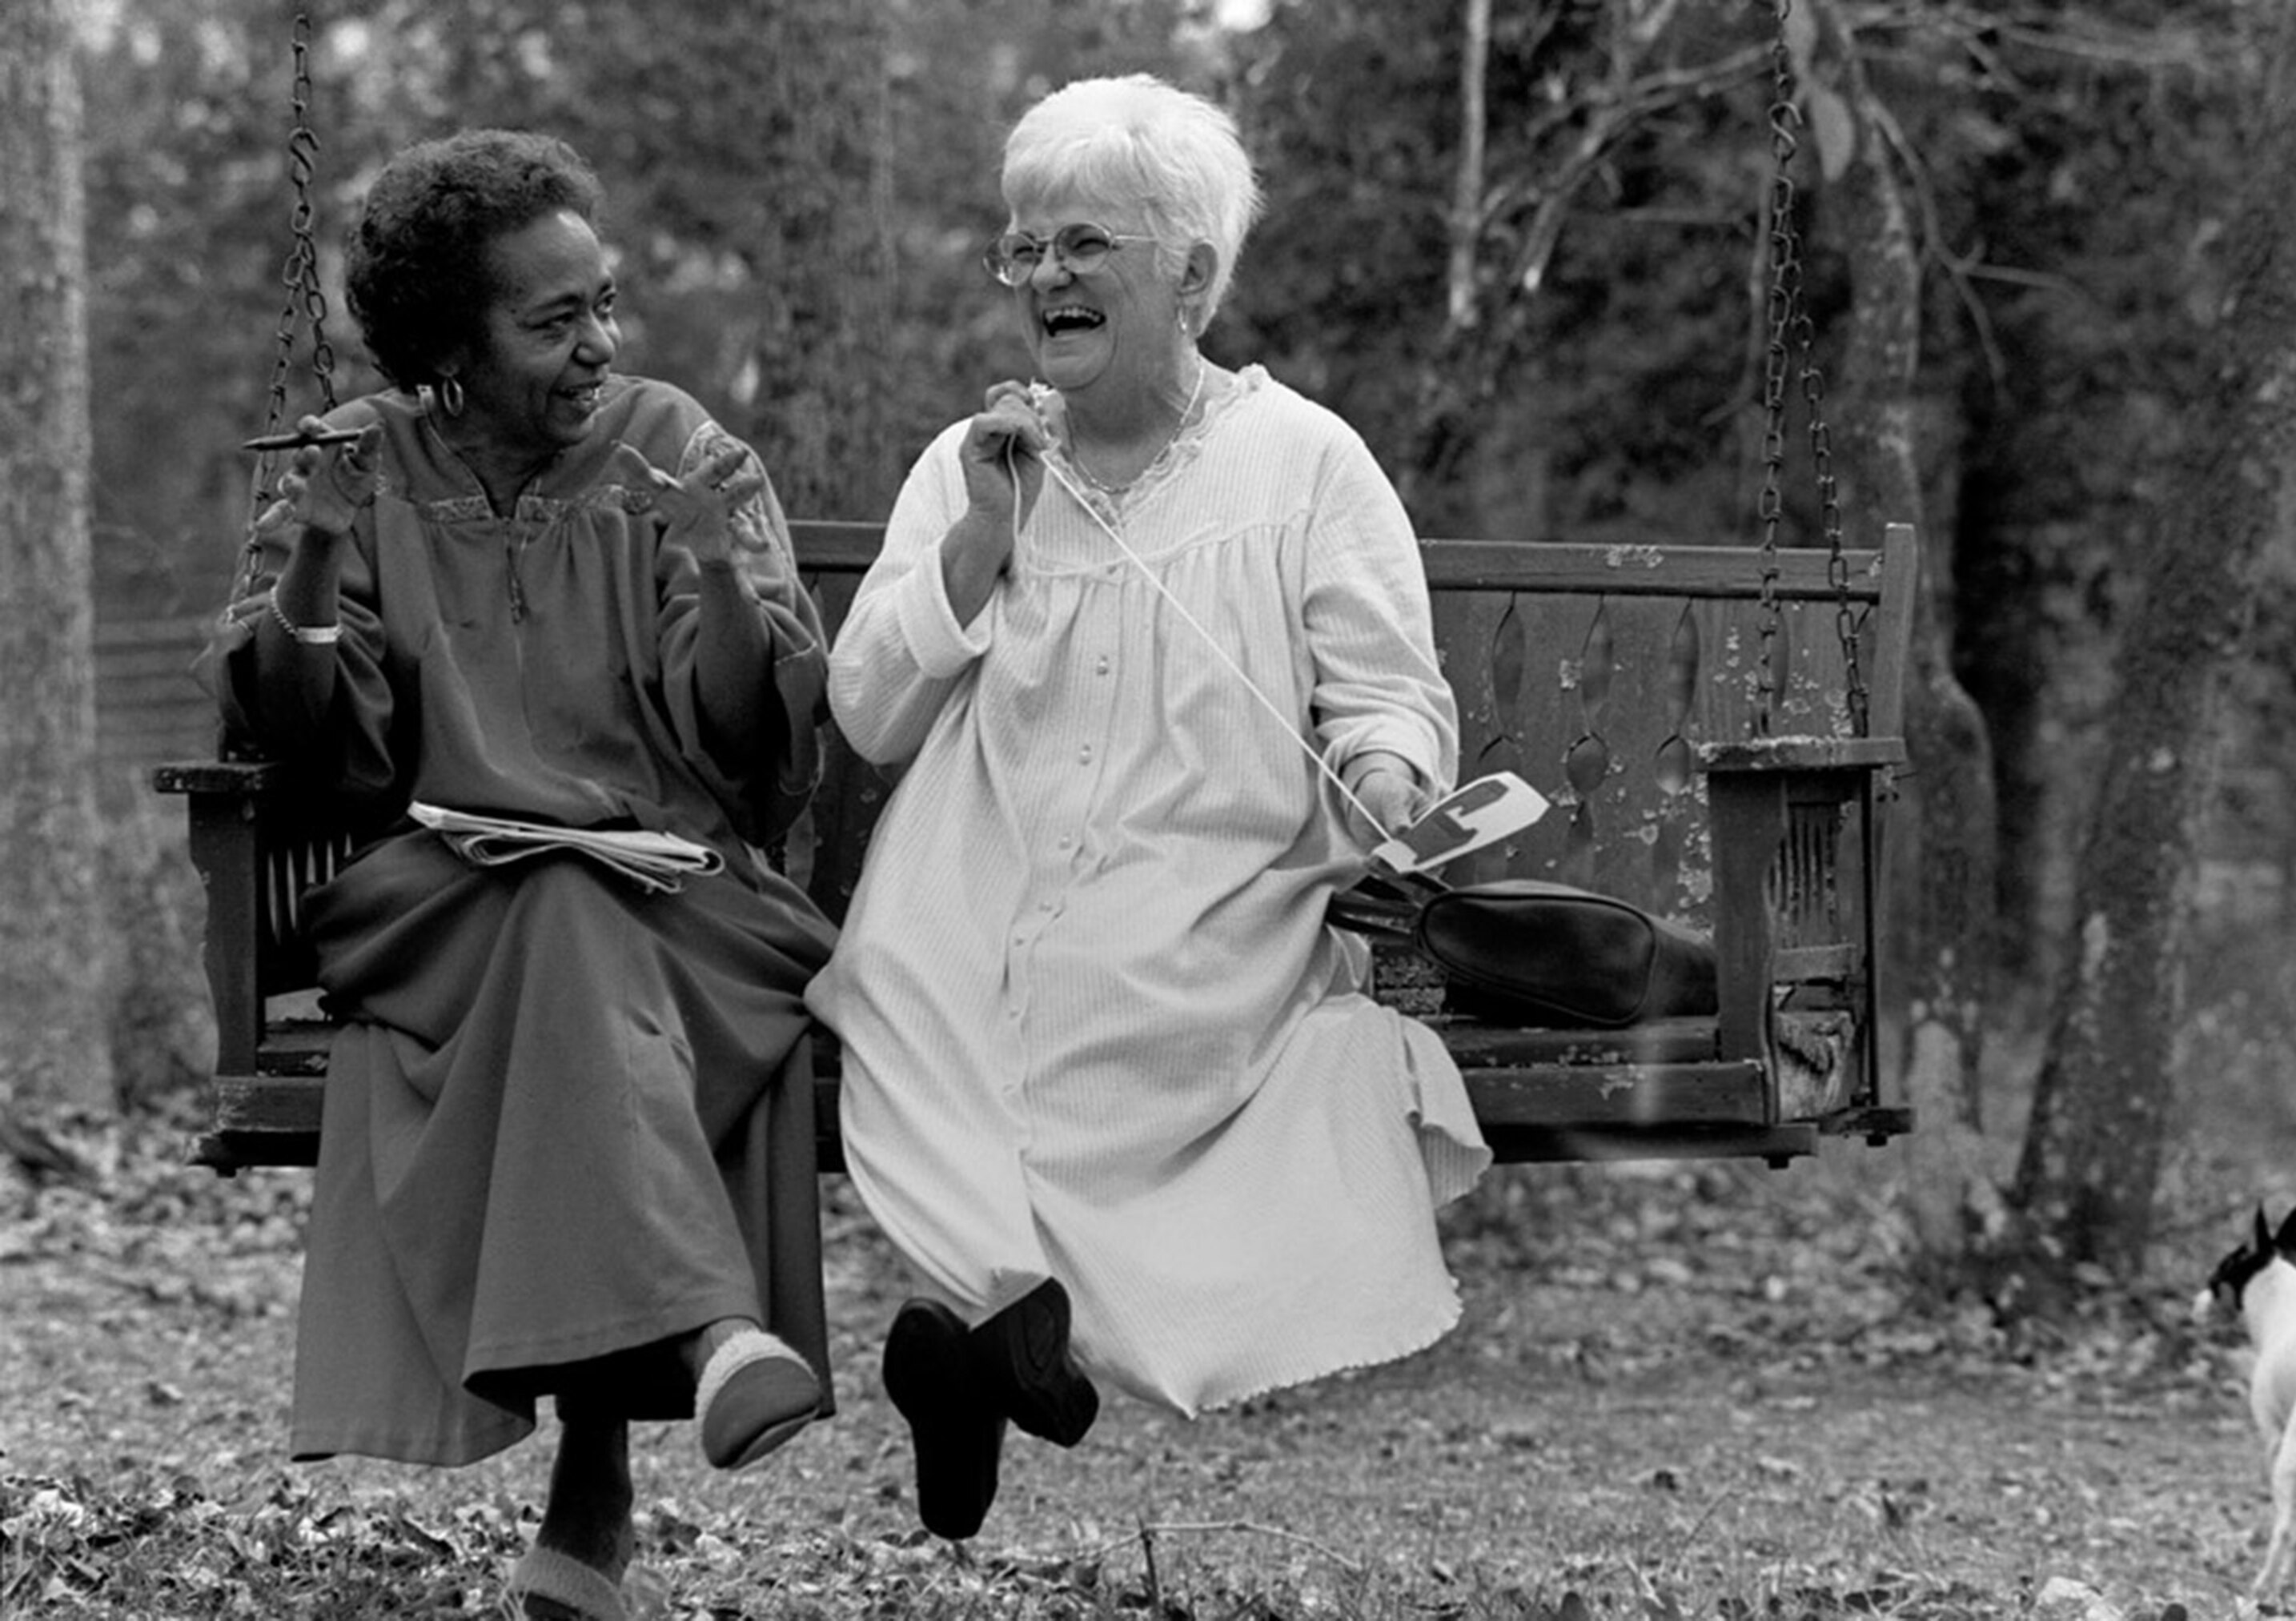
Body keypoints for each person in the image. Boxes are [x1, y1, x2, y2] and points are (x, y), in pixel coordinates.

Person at [805, 74, 1492, 1542]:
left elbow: (1386, 696)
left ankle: (986, 1342)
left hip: (1202, 901)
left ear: (1191, 271)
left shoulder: (1306, 463)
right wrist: (982, 536)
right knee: (927, 997)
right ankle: (1006, 1340)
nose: (1043, 275)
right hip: (966, 889)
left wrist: (1387, 785)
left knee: (1128, 1010)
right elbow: (869, 712)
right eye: (1025, 245)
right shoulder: (968, 464)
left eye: (1083, 244)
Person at [200, 129, 836, 1621]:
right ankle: (704, 1344)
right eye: (554, 322)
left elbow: (750, 743)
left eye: (602, 304)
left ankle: (604, 1476)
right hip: (447, 909)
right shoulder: (359, 462)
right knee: (552, 913)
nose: (601, 343)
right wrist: (317, 553)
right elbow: (299, 733)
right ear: (450, 351)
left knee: (576, 920)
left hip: (678, 905)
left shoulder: (673, 443)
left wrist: (724, 575)